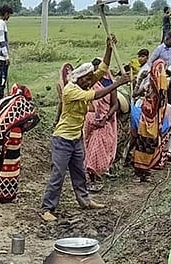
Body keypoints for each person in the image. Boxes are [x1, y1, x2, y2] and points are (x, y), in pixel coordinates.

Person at [38, 37, 132, 222]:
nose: (91, 80)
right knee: (58, 174)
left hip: (76, 138)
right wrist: (118, 83)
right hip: (63, 139)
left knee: (79, 171)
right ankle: (47, 208)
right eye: (88, 78)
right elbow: (96, 94)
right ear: (80, 78)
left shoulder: (83, 83)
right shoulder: (71, 90)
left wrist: (109, 48)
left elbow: (103, 69)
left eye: (91, 78)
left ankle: (84, 200)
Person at [0, 84, 40, 203]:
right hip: (14, 137)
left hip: (0, 137)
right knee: (11, 164)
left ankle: (1, 192)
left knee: (2, 163)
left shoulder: (5, 101)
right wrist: (22, 127)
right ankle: (7, 195)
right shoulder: (22, 102)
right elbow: (35, 117)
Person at [127, 59, 171, 182]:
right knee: (142, 145)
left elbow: (165, 101)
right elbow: (135, 94)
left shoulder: (162, 88)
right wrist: (139, 81)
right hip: (146, 120)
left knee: (151, 145)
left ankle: (145, 171)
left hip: (155, 121)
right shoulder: (149, 86)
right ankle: (138, 172)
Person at [83, 66, 120, 192]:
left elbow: (115, 104)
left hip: (104, 122)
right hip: (90, 121)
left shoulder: (110, 84)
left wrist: (106, 117)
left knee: (97, 148)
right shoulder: (89, 84)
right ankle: (90, 177)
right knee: (89, 148)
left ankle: (95, 176)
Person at [0, 4, 13, 102]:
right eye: (9, 14)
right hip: (2, 56)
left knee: (2, 77)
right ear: (5, 13)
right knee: (2, 77)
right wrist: (6, 56)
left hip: (2, 55)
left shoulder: (1, 23)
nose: (9, 16)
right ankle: (0, 97)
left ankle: (0, 96)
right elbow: (2, 42)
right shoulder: (1, 24)